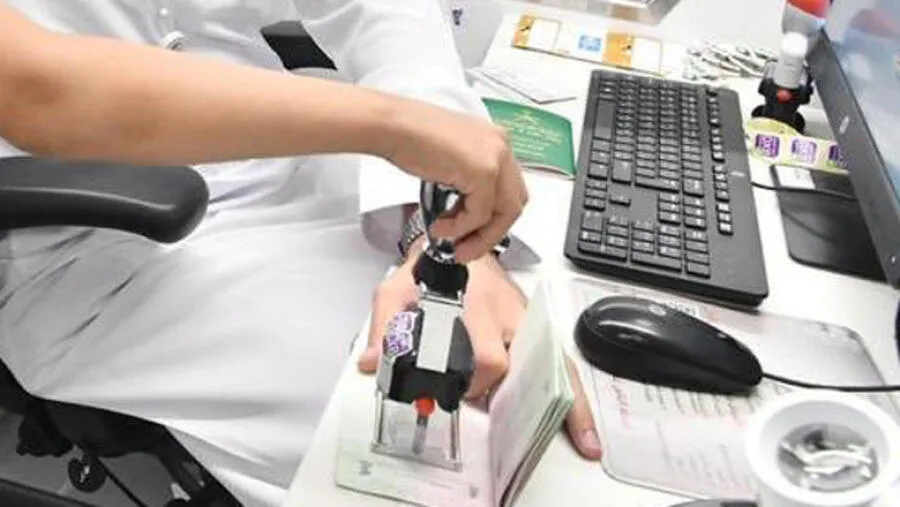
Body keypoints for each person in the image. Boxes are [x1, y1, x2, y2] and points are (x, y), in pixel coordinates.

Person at [0, 1, 602, 506]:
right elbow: (36, 87)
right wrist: (398, 126)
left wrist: (442, 226)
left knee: (546, 362)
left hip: (286, 162)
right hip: (97, 240)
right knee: (465, 451)